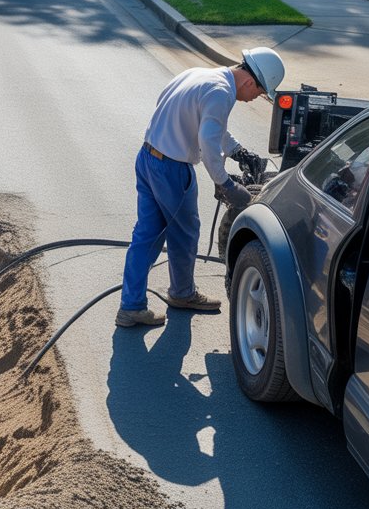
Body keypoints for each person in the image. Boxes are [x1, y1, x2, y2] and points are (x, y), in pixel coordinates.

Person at [116, 47, 285, 328]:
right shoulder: (221, 93)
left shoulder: (201, 75)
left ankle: (131, 306)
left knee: (146, 235)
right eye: (258, 93)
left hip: (147, 158)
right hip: (171, 169)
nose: (253, 98)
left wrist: (237, 151)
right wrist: (225, 183)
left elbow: (209, 126)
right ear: (249, 82)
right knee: (184, 233)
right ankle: (182, 294)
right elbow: (208, 142)